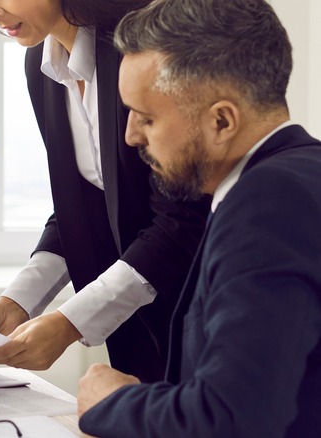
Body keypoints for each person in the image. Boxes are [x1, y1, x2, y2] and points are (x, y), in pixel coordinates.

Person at [76, 0, 321, 436]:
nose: (131, 135)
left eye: (146, 117)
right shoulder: (303, 176)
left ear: (222, 121)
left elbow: (230, 418)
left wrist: (113, 402)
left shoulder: (267, 201)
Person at [0, 0, 209, 382]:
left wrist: (70, 322)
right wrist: (18, 302)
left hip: (199, 316)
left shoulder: (145, 50)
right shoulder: (41, 65)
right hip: (135, 327)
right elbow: (84, 204)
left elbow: (183, 219)